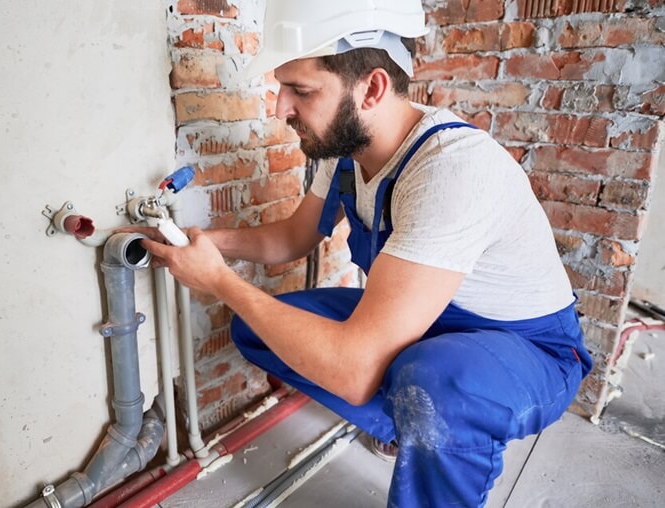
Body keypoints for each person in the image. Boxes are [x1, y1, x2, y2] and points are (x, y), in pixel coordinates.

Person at [140, 1, 593, 506]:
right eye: (282, 87)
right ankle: (411, 423)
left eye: (301, 91)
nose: (280, 108)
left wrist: (220, 282)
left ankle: (431, 432)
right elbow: (292, 239)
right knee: (260, 328)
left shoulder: (451, 170)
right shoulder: (347, 154)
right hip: (427, 323)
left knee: (433, 384)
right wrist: (202, 243)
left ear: (372, 88)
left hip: (523, 347)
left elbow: (354, 375)